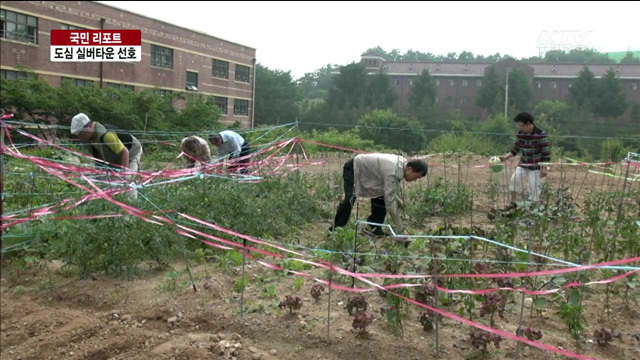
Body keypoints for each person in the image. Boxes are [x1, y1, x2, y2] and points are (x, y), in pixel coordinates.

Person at [331, 153, 428, 237]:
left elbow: (391, 190)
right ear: (410, 169)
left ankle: (373, 228)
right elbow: (390, 204)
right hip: (354, 168)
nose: (415, 180)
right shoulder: (394, 171)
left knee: (382, 197)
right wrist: (400, 229)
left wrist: (398, 200)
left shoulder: (402, 164)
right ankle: (335, 231)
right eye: (416, 177)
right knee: (350, 199)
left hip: (371, 174)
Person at [70, 113, 143, 199]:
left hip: (131, 152)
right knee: (106, 180)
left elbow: (125, 153)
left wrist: (123, 174)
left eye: (81, 133)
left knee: (128, 180)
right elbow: (98, 157)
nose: (80, 137)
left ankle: (133, 204)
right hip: (116, 155)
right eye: (78, 134)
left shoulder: (107, 135)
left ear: (89, 126)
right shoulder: (89, 139)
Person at [498, 112, 551, 209]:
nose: (519, 128)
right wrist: (504, 158)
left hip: (536, 167)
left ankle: (533, 209)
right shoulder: (520, 134)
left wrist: (544, 167)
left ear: (528, 124)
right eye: (517, 125)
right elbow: (516, 149)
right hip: (523, 164)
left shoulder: (540, 134)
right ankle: (512, 204)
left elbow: (546, 152)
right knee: (514, 180)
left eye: (520, 125)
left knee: (534, 189)